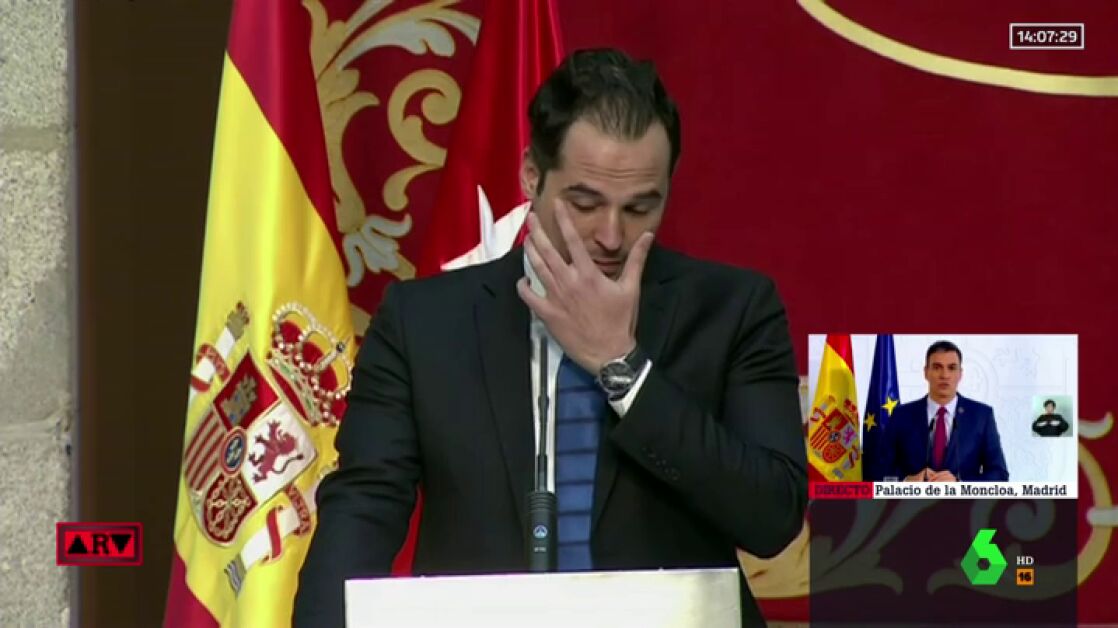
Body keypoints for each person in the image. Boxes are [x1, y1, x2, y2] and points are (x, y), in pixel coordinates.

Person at [293, 48, 807, 627]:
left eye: (640, 207)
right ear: (531, 176)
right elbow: (363, 508)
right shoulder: (424, 322)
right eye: (585, 203)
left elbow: (772, 518)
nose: (611, 235)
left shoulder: (734, 310)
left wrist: (622, 367)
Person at [880, 340, 1009, 482]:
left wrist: (960, 485)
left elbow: (999, 475)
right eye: (937, 367)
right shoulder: (901, 416)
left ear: (960, 374)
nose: (945, 375)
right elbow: (880, 470)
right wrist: (907, 481)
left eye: (952, 368)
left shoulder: (982, 416)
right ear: (926, 372)